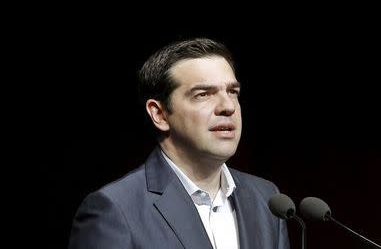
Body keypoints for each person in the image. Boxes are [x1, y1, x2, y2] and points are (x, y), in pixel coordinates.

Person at [68, 37, 290, 249]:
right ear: (160, 114)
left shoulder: (267, 198)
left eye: (233, 92)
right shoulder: (115, 209)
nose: (228, 106)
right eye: (203, 94)